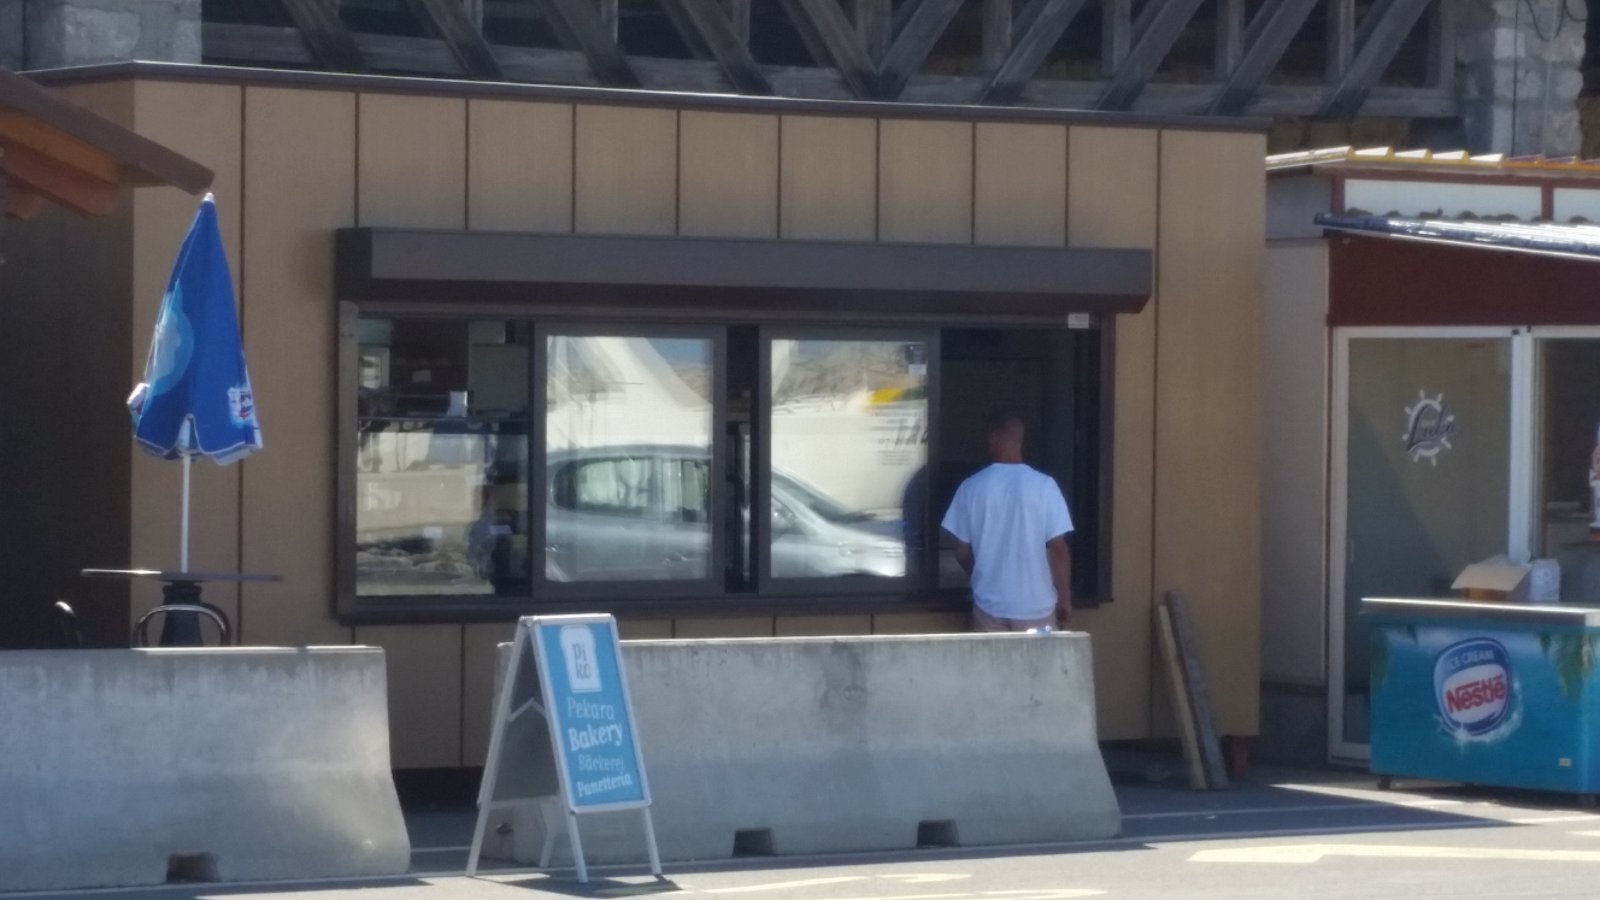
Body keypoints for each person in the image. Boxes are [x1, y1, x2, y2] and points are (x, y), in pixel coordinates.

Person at [940, 413, 1073, 632]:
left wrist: (983, 577)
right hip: (1037, 607)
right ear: (1020, 440)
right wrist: (1065, 598)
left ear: (994, 437)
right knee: (1040, 657)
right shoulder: (1045, 486)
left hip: (989, 606)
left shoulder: (971, 487)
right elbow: (1058, 548)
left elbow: (962, 553)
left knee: (990, 657)